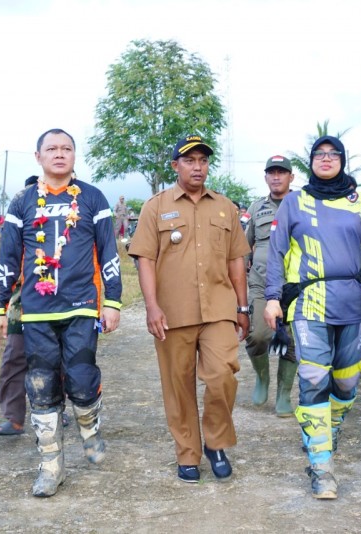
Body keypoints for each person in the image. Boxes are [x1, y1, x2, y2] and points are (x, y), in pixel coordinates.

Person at [263, 135, 361, 500]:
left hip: (351, 303)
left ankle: (331, 424)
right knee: (312, 377)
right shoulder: (295, 202)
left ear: (342, 160)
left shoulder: (360, 202)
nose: (326, 159)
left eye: (332, 154)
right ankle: (321, 465)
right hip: (309, 303)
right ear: (310, 163)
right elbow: (276, 253)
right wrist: (272, 298)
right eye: (319, 155)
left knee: (346, 382)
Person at [0, 128, 122, 497]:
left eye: (66, 148)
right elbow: (7, 259)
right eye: (52, 148)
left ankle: (90, 428)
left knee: (81, 381)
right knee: (41, 388)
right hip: (35, 313)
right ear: (38, 157)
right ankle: (51, 467)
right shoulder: (22, 202)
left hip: (81, 307)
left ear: (75, 156)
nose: (59, 154)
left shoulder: (93, 198)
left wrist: (112, 301)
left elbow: (109, 253)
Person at [128, 134, 250, 483]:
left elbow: (236, 261)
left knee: (223, 374)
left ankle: (215, 442)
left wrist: (242, 306)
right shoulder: (156, 206)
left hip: (219, 308)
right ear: (175, 166)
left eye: (203, 160)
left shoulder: (225, 207)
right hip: (173, 311)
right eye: (190, 160)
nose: (198, 167)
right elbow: (146, 260)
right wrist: (152, 307)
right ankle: (187, 453)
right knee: (177, 385)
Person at [243, 155, 297, 414]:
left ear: (291, 177)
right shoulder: (256, 209)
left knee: (294, 341)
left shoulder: (302, 204)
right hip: (261, 283)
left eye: (282, 172)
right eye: (271, 172)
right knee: (257, 335)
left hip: (295, 285)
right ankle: (262, 377)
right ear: (265, 177)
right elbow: (244, 246)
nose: (276, 176)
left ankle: (284, 395)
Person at [0, 176, 38, 437]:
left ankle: (58, 411)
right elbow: (6, 261)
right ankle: (14, 419)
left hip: (61, 300)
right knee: (14, 357)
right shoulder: (16, 219)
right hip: (22, 300)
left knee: (59, 359)